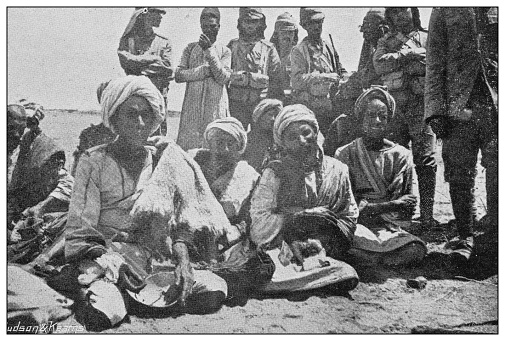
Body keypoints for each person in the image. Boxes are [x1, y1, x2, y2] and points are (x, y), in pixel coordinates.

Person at [63, 76, 228, 331]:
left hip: (155, 256)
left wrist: (183, 263)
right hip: (107, 256)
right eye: (131, 115)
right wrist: (112, 262)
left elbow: (182, 219)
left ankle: (142, 295)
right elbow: (81, 229)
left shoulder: (164, 158)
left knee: (216, 289)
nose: (140, 124)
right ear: (114, 119)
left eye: (147, 115)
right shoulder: (92, 162)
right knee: (108, 313)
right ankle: (112, 294)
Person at [425, 8, 498, 262]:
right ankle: (465, 237)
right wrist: (435, 111)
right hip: (458, 105)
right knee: (458, 171)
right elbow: (433, 61)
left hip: (495, 104)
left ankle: (492, 239)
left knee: (498, 168)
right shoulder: (445, 8)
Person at [250, 104, 358, 268]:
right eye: (292, 137)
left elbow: (349, 215)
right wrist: (299, 216)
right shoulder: (274, 172)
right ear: (283, 143)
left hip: (325, 245)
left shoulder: (337, 169)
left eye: (306, 132)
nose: (301, 140)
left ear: (315, 132)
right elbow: (259, 224)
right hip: (284, 244)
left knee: (343, 271)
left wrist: (321, 240)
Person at [335, 87, 427, 267]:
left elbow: (407, 206)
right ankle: (381, 258)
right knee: (347, 241)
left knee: (415, 248)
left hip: (389, 227)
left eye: (382, 117)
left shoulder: (401, 155)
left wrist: (380, 209)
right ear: (361, 119)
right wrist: (390, 205)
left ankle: (374, 258)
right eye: (370, 115)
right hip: (358, 224)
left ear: (389, 121)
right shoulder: (345, 153)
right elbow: (346, 206)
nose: (377, 121)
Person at [373, 7, 438, 229]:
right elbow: (379, 63)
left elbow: (436, 65)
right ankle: (397, 215)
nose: (401, 15)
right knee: (394, 159)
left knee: (426, 160)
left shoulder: (428, 37)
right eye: (396, 12)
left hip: (421, 107)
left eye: (405, 10)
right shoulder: (387, 40)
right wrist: (407, 55)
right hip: (396, 108)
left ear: (414, 11)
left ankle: (427, 216)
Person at [7, 104, 73, 246]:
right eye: (10, 128)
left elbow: (68, 185)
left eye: (20, 129)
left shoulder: (29, 151)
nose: (16, 135)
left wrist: (41, 207)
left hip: (21, 217)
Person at [324, 9, 388, 156]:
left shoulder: (387, 50)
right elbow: (361, 75)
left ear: (381, 29)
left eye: (368, 30)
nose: (364, 34)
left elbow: (367, 78)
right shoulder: (372, 48)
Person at [189, 117, 259, 249]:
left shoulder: (247, 174)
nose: (225, 149)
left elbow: (251, 215)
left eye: (231, 144)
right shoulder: (194, 161)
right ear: (209, 144)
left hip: (226, 233)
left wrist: (238, 230)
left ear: (239, 147)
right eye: (219, 142)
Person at [175, 8, 232, 151]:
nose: (209, 30)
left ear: (219, 26)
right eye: (205, 26)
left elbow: (223, 77)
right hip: (192, 107)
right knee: (189, 148)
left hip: (215, 106)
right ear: (201, 26)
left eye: (212, 26)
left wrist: (209, 51)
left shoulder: (225, 51)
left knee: (213, 147)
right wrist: (202, 72)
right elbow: (179, 75)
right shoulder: (190, 48)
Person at [291, 8, 348, 135]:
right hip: (311, 108)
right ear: (304, 26)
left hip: (331, 107)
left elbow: (340, 69)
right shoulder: (299, 51)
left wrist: (346, 77)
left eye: (319, 22)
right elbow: (296, 81)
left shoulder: (328, 46)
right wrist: (323, 77)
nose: (316, 26)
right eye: (311, 23)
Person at [118, 7, 173, 135]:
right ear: (144, 15)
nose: (160, 17)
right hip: (135, 98)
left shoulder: (164, 42)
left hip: (158, 95)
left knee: (157, 136)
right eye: (157, 13)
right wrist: (153, 58)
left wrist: (137, 65)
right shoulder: (128, 41)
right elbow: (125, 62)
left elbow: (167, 70)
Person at [227, 7, 282, 129]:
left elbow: (276, 79)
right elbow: (225, 75)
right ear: (240, 23)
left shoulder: (269, 49)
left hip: (260, 103)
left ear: (260, 23)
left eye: (254, 21)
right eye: (246, 21)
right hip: (236, 104)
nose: (250, 25)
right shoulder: (232, 46)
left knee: (259, 140)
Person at [243, 99, 283, 172]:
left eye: (276, 116)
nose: (273, 119)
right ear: (260, 115)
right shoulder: (247, 139)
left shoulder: (279, 141)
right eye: (270, 115)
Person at [270, 12, 298, 103]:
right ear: (276, 34)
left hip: (294, 100)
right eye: (283, 32)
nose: (287, 35)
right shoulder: (268, 53)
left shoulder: (299, 54)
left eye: (290, 32)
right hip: (271, 100)